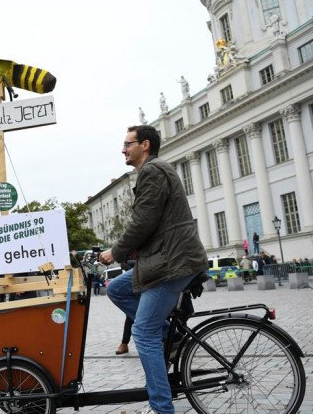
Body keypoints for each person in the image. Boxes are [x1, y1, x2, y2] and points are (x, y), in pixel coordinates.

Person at [99, 125, 207, 414]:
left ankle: (162, 408)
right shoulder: (153, 170)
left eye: (127, 144)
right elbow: (151, 223)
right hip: (162, 259)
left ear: (144, 145)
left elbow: (144, 221)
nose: (123, 149)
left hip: (172, 262)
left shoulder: (153, 170)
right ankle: (173, 339)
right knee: (117, 288)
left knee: (143, 333)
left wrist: (116, 251)